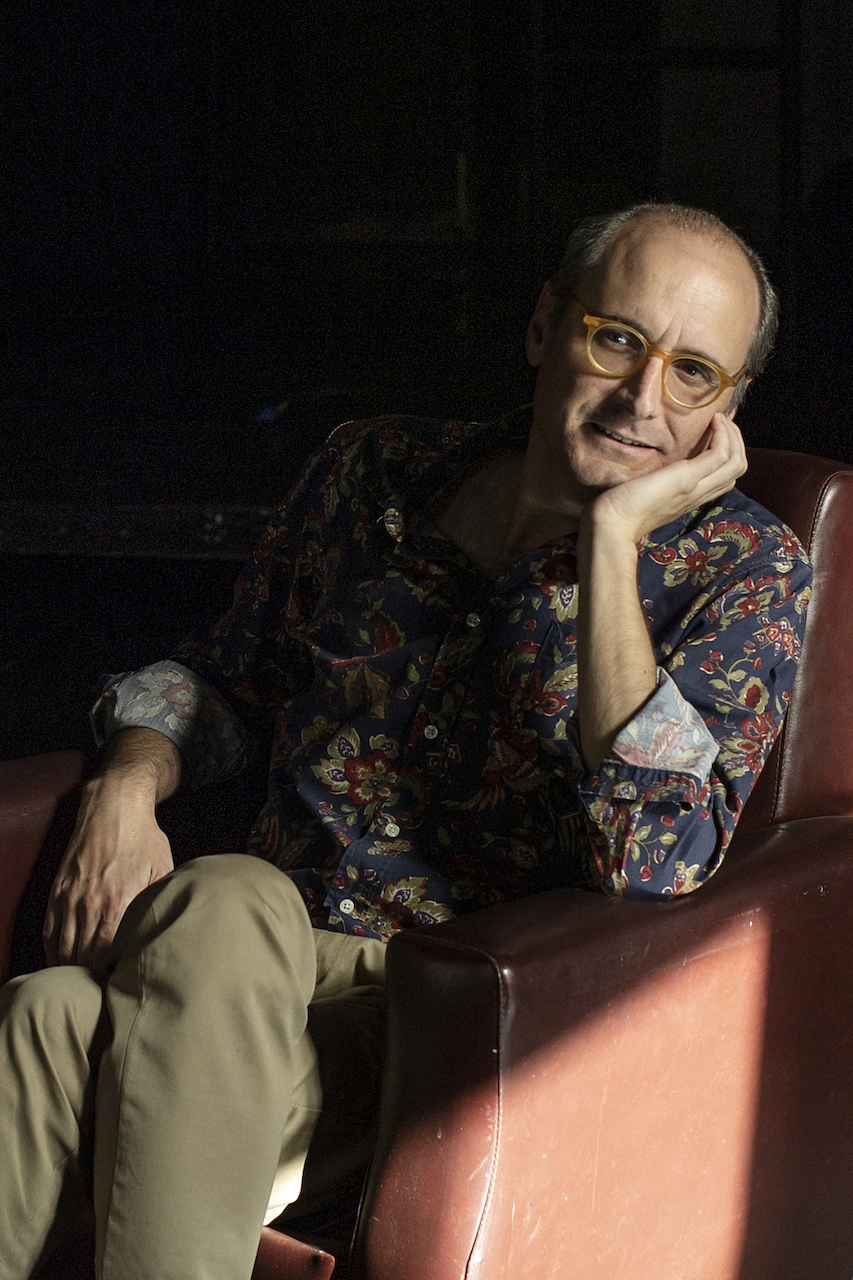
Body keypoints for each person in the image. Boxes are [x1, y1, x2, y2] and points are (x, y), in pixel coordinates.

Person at [0, 203, 812, 1280]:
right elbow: (227, 675)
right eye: (617, 339)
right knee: (61, 999)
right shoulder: (372, 468)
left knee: (139, 955)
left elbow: (650, 856)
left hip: (440, 1010)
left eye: (693, 372)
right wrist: (124, 786)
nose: (642, 398)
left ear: (729, 405)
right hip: (233, 966)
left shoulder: (745, 570)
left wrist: (611, 541)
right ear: (544, 326)